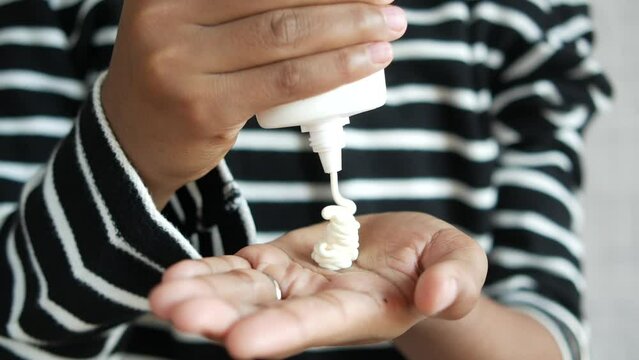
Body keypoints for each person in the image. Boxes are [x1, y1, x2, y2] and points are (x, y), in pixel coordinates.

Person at [0, 0, 611, 359]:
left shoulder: (518, 17)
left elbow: (549, 338)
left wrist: (429, 300)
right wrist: (134, 147)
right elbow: (13, 317)